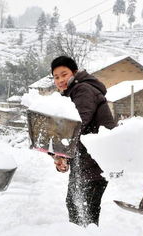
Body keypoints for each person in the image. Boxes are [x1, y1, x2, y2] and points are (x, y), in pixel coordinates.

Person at [51, 56, 116, 227]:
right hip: (85, 162)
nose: (60, 80)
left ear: (74, 72)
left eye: (63, 74)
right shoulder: (73, 93)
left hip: (95, 163)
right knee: (78, 207)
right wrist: (61, 157)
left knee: (84, 210)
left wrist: (58, 151)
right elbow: (74, 134)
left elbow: (77, 125)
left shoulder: (82, 90)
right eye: (56, 77)